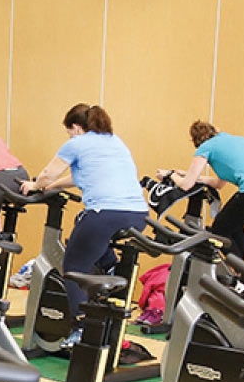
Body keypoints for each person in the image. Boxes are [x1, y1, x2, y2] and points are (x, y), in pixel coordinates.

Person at [20, 104, 148, 347]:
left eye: (69, 131)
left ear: (77, 128)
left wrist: (35, 185)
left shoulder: (77, 143)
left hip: (105, 214)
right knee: (86, 230)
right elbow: (80, 175)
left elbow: (46, 174)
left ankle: (80, 327)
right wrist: (54, 186)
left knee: (73, 266)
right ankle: (110, 269)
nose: (69, 136)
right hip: (137, 215)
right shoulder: (115, 141)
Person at [157, 120, 244, 260]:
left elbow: (186, 185)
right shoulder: (238, 140)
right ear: (215, 130)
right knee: (234, 223)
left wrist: (170, 175)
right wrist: (188, 175)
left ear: (196, 141)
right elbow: (218, 183)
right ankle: (242, 268)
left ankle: (238, 269)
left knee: (220, 229)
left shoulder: (205, 147)